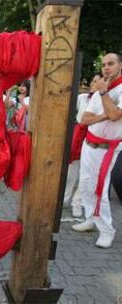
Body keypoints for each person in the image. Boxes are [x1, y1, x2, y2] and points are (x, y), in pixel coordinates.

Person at [72, 53, 122, 248]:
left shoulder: (109, 90)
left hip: (106, 149)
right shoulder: (103, 86)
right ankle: (91, 218)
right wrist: (105, 116)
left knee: (98, 189)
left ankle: (107, 230)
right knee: (85, 185)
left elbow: (114, 113)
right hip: (89, 145)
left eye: (111, 64)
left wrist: (103, 95)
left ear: (120, 66)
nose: (106, 68)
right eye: (103, 64)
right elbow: (85, 119)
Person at [64, 75, 100, 217]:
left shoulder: (104, 100)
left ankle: (77, 202)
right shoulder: (83, 98)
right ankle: (65, 198)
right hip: (78, 135)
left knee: (85, 175)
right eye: (92, 80)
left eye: (96, 81)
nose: (92, 83)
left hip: (92, 136)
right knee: (71, 172)